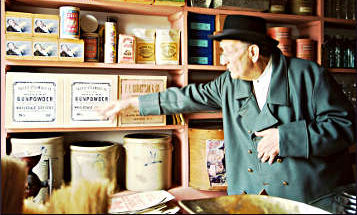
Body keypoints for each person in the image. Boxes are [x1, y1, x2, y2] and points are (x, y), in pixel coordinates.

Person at [98, 15, 355, 204]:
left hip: (307, 200)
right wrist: (133, 102)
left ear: (253, 52)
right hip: (251, 199)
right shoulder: (229, 82)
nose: (222, 61)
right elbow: (188, 97)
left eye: (227, 53)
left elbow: (346, 127)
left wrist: (286, 137)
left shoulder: (309, 76)